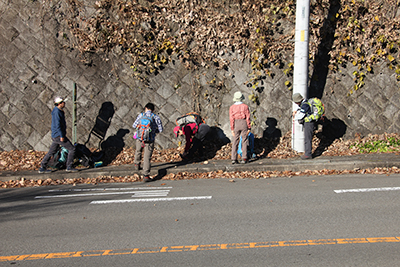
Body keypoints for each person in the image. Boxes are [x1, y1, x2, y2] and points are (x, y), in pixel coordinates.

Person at [39, 97, 77, 173]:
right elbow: (58, 125)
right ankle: (69, 166)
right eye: (63, 102)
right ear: (59, 103)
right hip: (58, 135)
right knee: (72, 149)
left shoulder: (58, 111)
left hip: (56, 135)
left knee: (51, 152)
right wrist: (62, 136)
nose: (64, 103)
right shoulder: (57, 112)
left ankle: (42, 166)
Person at [132, 103, 163, 182]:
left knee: (138, 150)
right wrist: (153, 132)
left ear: (145, 108)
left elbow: (134, 125)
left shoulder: (141, 115)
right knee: (147, 158)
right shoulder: (155, 117)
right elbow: (160, 129)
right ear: (153, 110)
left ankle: (137, 164)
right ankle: (146, 175)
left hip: (140, 138)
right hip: (150, 139)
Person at [229, 91, 251, 164]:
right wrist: (249, 127)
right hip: (243, 122)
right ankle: (244, 157)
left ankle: (233, 158)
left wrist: (232, 128)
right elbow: (248, 117)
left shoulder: (232, 107)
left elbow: (231, 118)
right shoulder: (245, 106)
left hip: (236, 123)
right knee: (244, 140)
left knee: (235, 141)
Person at [292, 92, 314, 160]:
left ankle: (308, 154)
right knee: (307, 138)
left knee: (308, 138)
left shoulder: (305, 105)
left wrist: (294, 119)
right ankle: (307, 153)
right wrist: (296, 110)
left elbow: (302, 115)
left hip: (309, 122)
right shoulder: (305, 103)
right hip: (308, 122)